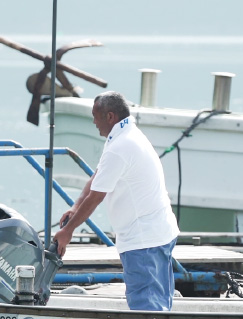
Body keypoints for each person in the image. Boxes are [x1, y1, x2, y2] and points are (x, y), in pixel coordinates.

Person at [53, 91, 180, 311]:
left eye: (95, 115)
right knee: (159, 302)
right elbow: (98, 176)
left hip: (143, 241)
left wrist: (68, 231)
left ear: (110, 116)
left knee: (146, 307)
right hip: (156, 234)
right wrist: (75, 208)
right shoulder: (126, 136)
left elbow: (96, 197)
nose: (93, 121)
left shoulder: (120, 147)